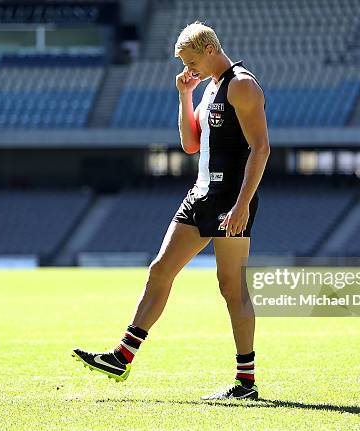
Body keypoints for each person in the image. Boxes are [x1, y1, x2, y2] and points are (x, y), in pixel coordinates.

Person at [73, 21, 269, 400]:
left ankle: (246, 382)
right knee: (160, 269)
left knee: (231, 287)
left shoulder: (242, 84)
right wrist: (185, 96)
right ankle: (122, 356)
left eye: (192, 60)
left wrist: (243, 204)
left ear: (210, 49)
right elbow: (190, 145)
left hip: (230, 199)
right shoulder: (208, 85)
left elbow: (261, 148)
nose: (188, 68)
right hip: (199, 193)